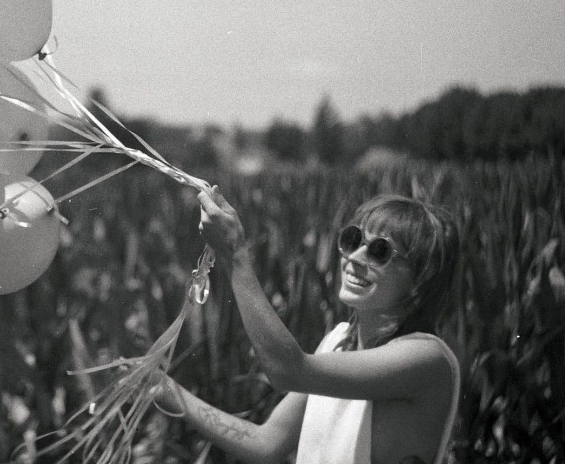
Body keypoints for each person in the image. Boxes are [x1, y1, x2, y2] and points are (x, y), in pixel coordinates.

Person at [153, 190, 461, 464]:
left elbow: (288, 371)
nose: (354, 257)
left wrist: (235, 254)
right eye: (353, 240)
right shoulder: (338, 341)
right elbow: (266, 442)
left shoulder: (427, 359)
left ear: (421, 277)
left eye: (379, 251)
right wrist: (162, 388)